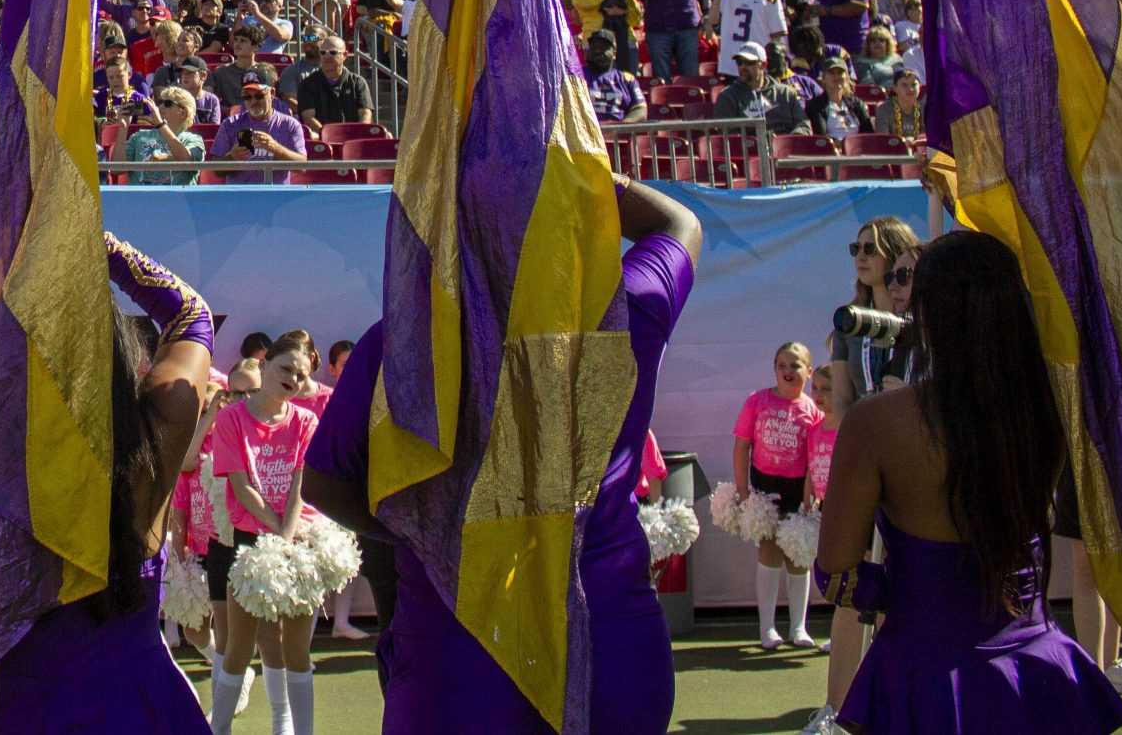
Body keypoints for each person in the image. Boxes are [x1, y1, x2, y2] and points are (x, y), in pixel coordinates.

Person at [305, 173, 703, 735]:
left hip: (456, 645)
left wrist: (426, 530)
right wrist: (587, 175)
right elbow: (678, 224)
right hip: (605, 637)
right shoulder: (627, 309)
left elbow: (323, 484)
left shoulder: (402, 340)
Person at [0, 231, 216, 734]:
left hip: (7, 705)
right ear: (116, 346)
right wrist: (87, 235)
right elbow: (191, 315)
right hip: (134, 703)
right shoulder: (160, 421)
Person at [814, 230, 1122, 734]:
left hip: (926, 671)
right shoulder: (1051, 408)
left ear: (928, 312)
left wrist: (909, 591)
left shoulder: (877, 422)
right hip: (1038, 667)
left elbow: (836, 573)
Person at [816, 216, 921, 734]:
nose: (860, 256)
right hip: (863, 460)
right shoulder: (848, 324)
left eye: (872, 248)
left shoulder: (924, 322)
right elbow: (840, 404)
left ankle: (882, 704)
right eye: (854, 247)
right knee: (849, 583)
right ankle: (834, 710)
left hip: (914, 467)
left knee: (898, 587)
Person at [206, 343, 322, 734]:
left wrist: (287, 541)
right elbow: (241, 487)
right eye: (285, 368)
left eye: (301, 375)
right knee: (239, 646)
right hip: (250, 540)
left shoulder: (306, 421)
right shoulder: (232, 419)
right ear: (265, 363)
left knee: (296, 649)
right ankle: (219, 728)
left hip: (300, 542)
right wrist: (274, 538)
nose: (292, 378)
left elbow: (298, 488)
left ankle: (293, 727)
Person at [736, 343, 826, 652]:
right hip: (765, 485)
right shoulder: (757, 401)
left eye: (796, 365)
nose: (788, 371)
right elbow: (742, 445)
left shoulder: (813, 410)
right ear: (774, 368)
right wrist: (743, 490)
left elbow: (816, 456)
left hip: (798, 488)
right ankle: (768, 627)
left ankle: (799, 627)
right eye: (782, 365)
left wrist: (810, 497)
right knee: (769, 549)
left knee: (798, 555)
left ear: (809, 372)